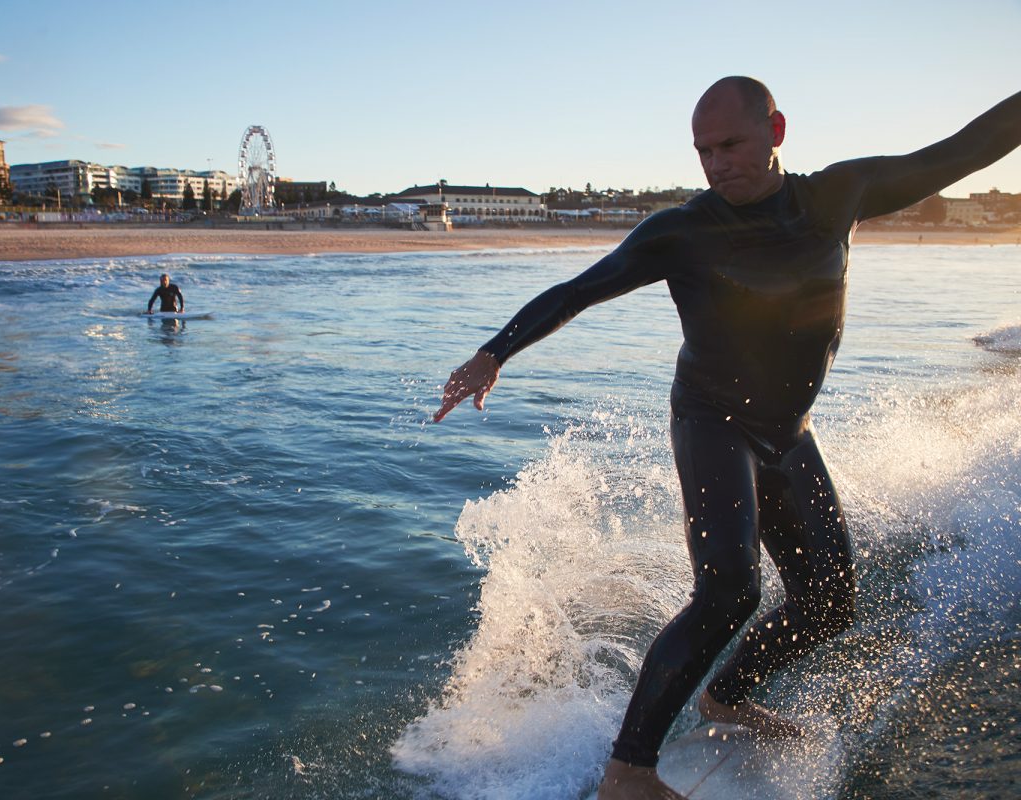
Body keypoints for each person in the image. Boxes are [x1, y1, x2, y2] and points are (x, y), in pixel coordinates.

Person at [433, 77, 1021, 800]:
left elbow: (963, 150)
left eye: (731, 145)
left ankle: (728, 695)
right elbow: (578, 290)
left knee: (832, 600)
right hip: (712, 422)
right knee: (729, 588)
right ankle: (629, 770)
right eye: (703, 151)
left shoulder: (837, 196)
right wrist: (496, 351)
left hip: (787, 433)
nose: (716, 164)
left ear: (776, 130)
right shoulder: (682, 230)